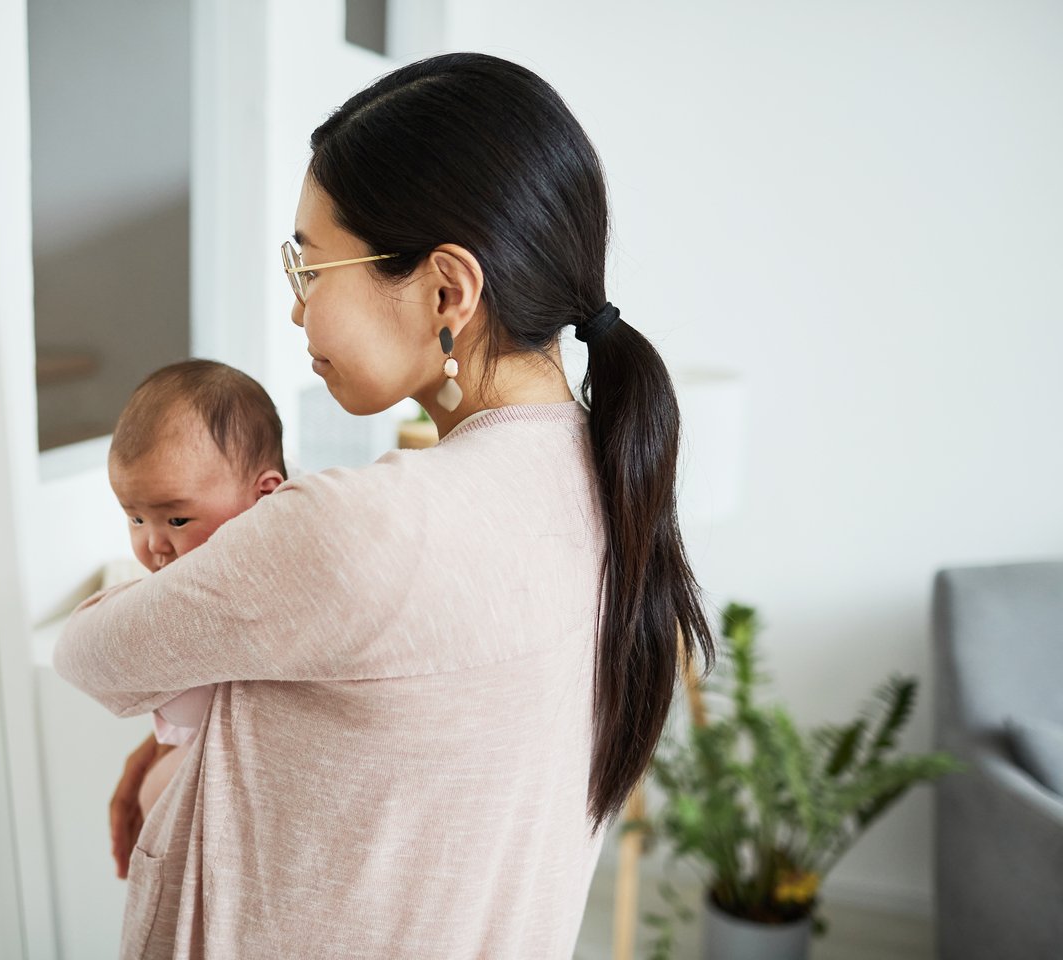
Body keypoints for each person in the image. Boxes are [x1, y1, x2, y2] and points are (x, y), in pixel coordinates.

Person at [55, 52, 713, 959]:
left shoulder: (357, 527)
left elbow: (90, 655)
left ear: (447, 290)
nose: (297, 313)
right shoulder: (603, 486)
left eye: (312, 268)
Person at [102, 360, 287, 836]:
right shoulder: (180, 590)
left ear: (264, 497)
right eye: (136, 519)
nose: (154, 544)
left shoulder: (270, 592)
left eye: (177, 520)